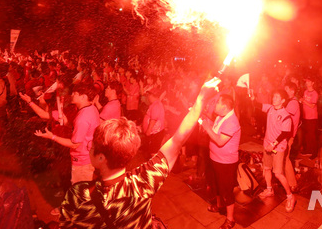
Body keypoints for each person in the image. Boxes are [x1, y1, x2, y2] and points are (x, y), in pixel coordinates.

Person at [58, 77, 220, 229]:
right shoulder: (141, 183)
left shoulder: (80, 196)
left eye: (92, 146)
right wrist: (200, 99)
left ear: (99, 158)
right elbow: (178, 140)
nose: (89, 147)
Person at [252, 89, 297, 213]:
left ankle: (290, 196)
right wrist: (251, 96)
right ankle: (269, 189)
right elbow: (257, 105)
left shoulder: (286, 115)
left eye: (277, 97)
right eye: (274, 96)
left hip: (278, 147)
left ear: (282, 100)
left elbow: (285, 133)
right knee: (266, 168)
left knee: (278, 173)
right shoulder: (270, 108)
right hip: (267, 145)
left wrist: (274, 144)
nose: (274, 98)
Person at [200, 94, 241, 229]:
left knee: (226, 190)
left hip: (226, 162)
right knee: (217, 186)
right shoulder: (221, 117)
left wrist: (206, 127)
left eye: (217, 102)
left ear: (224, 106)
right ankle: (219, 206)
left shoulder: (232, 122)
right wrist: (206, 121)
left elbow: (219, 140)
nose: (214, 105)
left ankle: (230, 219)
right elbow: (216, 129)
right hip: (215, 158)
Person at [284, 82, 300, 192]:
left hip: (288, 135)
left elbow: (284, 117)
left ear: (292, 91)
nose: (284, 92)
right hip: (286, 134)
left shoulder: (293, 103)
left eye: (286, 89)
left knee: (285, 158)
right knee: (283, 158)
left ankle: (292, 183)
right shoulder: (290, 102)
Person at [142, 89, 166, 158]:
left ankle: (156, 167)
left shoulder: (156, 105)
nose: (148, 97)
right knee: (153, 152)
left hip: (156, 134)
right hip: (155, 133)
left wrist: (148, 131)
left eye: (149, 95)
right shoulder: (155, 104)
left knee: (154, 153)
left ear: (152, 95)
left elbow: (153, 120)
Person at [301, 77, 318, 156]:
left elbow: (312, 105)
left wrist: (304, 101)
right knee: (306, 135)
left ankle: (314, 153)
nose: (307, 83)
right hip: (305, 116)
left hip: (312, 117)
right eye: (306, 81)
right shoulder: (305, 92)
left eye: (309, 81)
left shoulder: (315, 93)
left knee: (312, 135)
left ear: (312, 83)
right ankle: (308, 150)